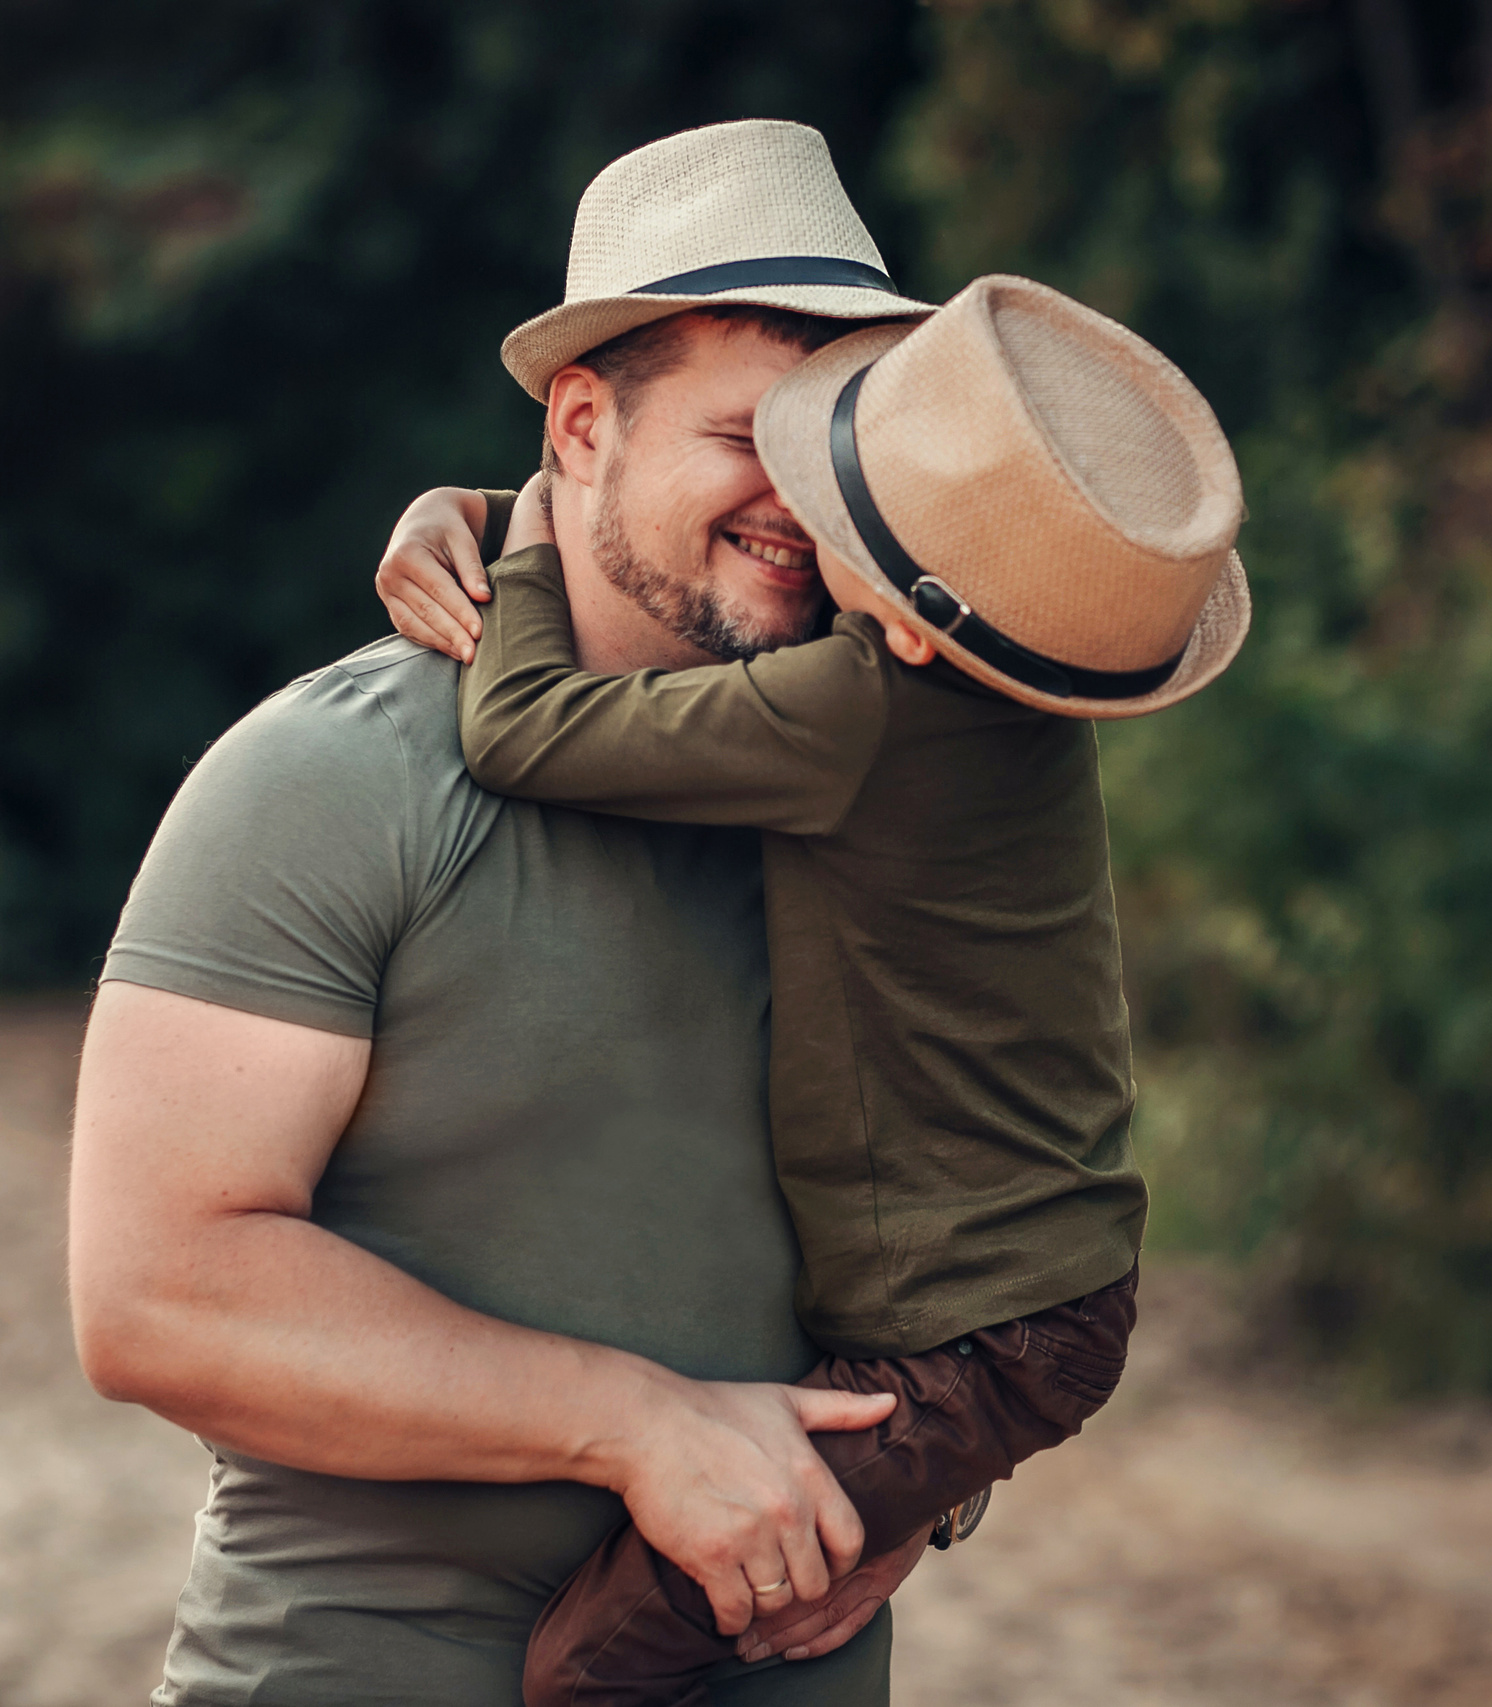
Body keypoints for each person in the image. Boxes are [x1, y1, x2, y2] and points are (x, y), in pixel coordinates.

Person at [67, 119, 943, 1706]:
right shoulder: (327, 780)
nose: (803, 505)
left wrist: (929, 1484)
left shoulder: (889, 802)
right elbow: (154, 1297)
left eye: (836, 447)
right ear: (585, 426)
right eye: (749, 437)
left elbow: (990, 1205)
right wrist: (639, 1422)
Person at [380, 274, 1251, 1706]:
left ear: (909, 616)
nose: (795, 520)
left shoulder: (851, 706)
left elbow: (525, 727)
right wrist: (470, 506)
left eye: (837, 503)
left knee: (586, 1669)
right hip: (1036, 1302)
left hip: (977, 1338)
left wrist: (521, 529)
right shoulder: (1002, 689)